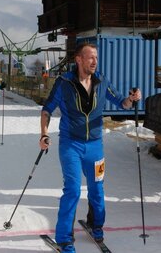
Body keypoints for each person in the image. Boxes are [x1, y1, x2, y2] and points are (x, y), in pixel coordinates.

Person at [39, 43, 141, 253]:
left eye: (96, 57)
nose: (95, 61)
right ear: (78, 59)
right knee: (73, 190)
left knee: (97, 189)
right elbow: (47, 109)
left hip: (95, 146)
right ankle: (65, 238)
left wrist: (131, 99)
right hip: (71, 144)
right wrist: (44, 133)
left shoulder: (102, 81)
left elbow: (121, 103)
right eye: (90, 57)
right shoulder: (64, 82)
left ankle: (96, 226)